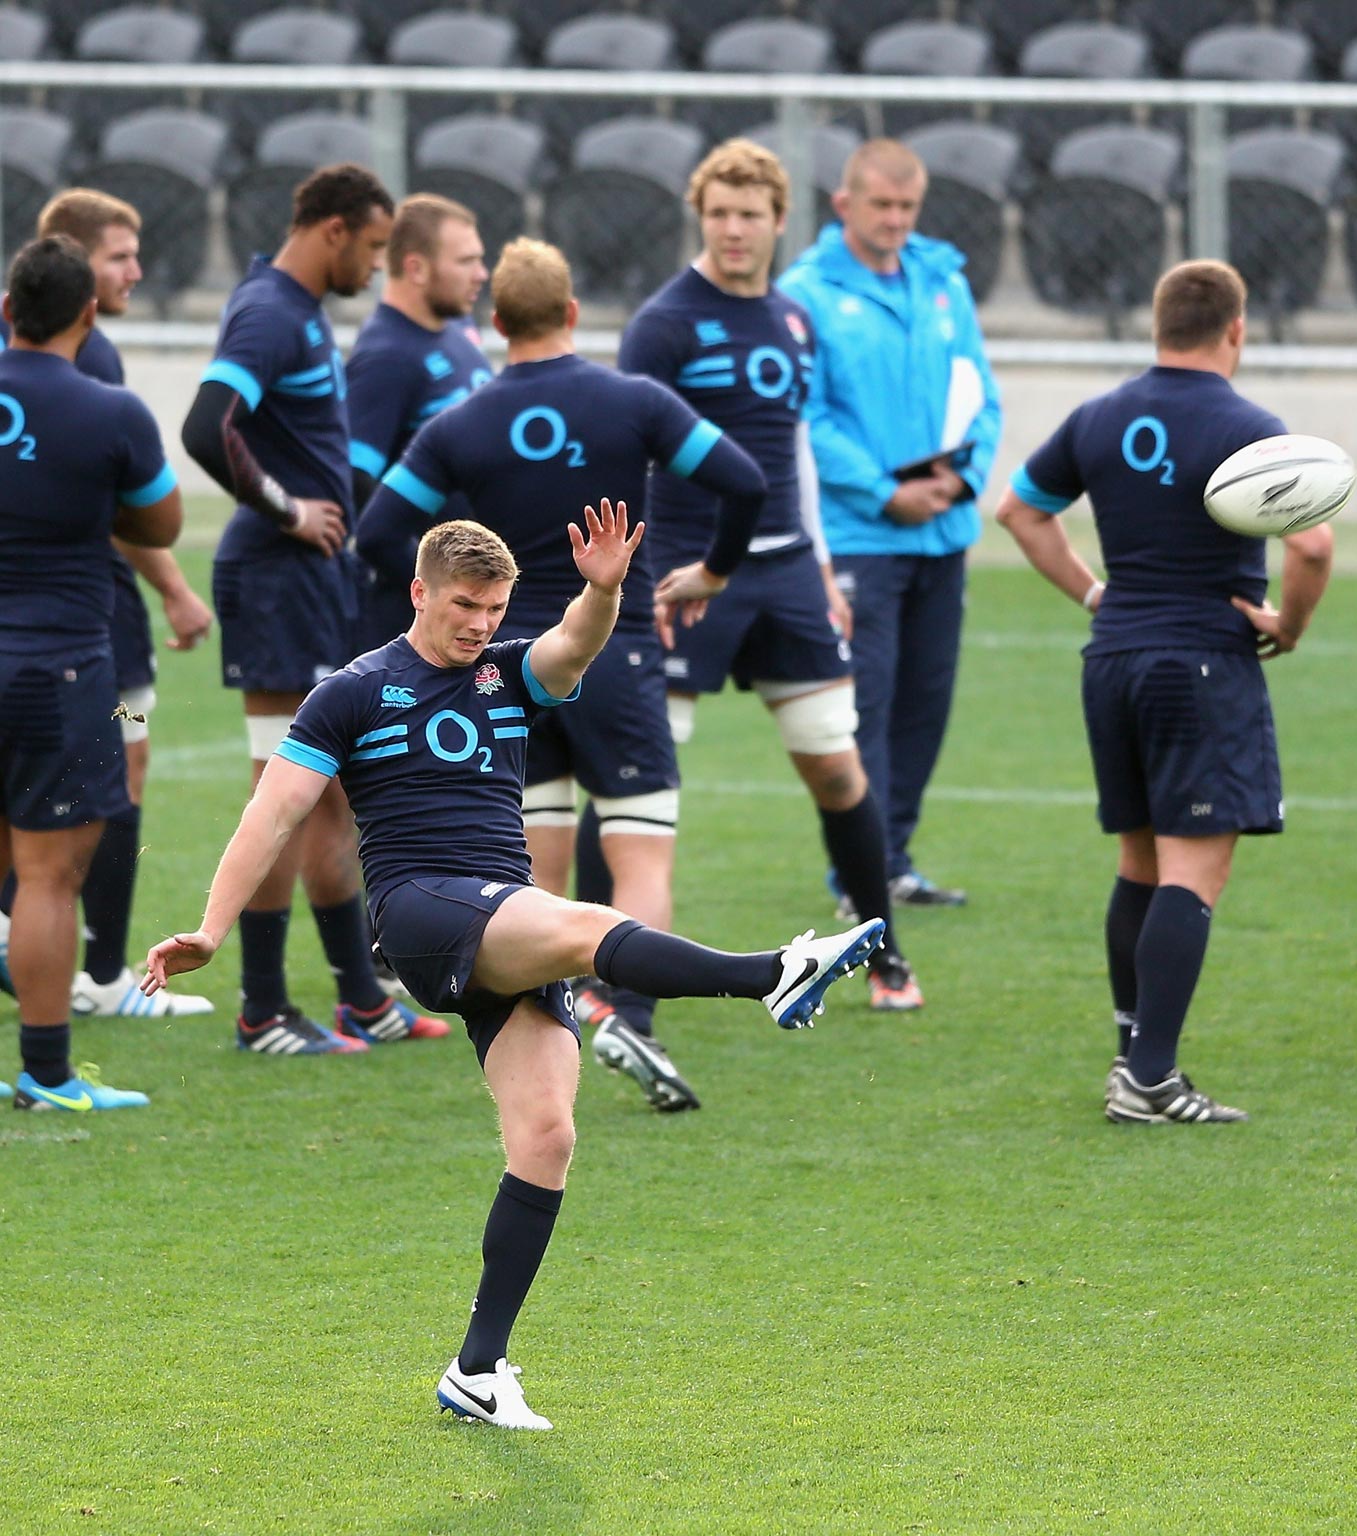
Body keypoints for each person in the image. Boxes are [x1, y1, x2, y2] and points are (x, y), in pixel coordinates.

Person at [142, 511, 883, 1428]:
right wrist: (212, 930)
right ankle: (773, 971)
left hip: (504, 916)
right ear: (419, 592)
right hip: (420, 912)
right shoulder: (353, 692)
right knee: (584, 922)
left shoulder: (509, 672)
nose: (480, 624)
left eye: (494, 607)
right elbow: (273, 817)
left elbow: (573, 646)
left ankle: (478, 1370)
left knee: (547, 1138)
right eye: (464, 605)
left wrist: (604, 587)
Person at [356, 237, 771, 1112]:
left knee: (530, 854)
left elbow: (376, 531)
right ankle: (636, 1017)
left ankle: (551, 1010)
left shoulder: (459, 423)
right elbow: (745, 482)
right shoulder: (633, 401)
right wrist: (716, 571)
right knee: (637, 838)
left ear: (494, 321)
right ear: (574, 313)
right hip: (607, 649)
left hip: (501, 668)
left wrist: (441, 615)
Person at [995, 260, 1333, 1123]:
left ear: (1157, 325)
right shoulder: (1250, 425)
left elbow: (1020, 511)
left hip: (1113, 659)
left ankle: (1131, 1052)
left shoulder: (1100, 417)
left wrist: (1093, 592)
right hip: (1202, 663)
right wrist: (1287, 626)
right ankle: (1149, 1080)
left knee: (1139, 861)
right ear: (1236, 330)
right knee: (1194, 870)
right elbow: (1316, 547)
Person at [616, 138, 922, 1011]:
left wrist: (823, 567)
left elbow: (794, 449)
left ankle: (884, 954)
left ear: (781, 222)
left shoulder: (794, 318)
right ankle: (609, 975)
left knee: (836, 767)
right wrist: (631, 576)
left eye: (750, 215)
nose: (734, 230)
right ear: (700, 217)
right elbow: (629, 450)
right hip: (682, 577)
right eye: (719, 214)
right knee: (639, 778)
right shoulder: (663, 322)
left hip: (787, 574)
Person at [181, 163, 447, 1056]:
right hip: (274, 580)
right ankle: (260, 1008)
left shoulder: (295, 310)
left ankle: (361, 999)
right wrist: (287, 510)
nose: (378, 266)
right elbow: (206, 420)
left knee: (330, 795)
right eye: (374, 247)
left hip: (308, 584)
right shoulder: (268, 311)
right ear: (334, 230)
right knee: (284, 794)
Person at [0, 190, 214, 1018]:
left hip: (72, 619)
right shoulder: (99, 378)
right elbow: (139, 514)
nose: (138, 271)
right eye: (121, 257)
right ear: (83, 290)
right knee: (114, 776)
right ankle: (102, 979)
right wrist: (174, 585)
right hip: (80, 634)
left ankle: (94, 971)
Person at [778, 138, 1001, 912]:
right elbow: (806, 417)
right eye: (882, 205)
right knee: (864, 708)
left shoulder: (943, 280)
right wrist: (880, 491)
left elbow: (980, 389)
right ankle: (858, 878)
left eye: (908, 207)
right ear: (845, 205)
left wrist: (965, 476)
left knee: (925, 705)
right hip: (861, 537)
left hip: (942, 532)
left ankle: (895, 860)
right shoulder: (804, 292)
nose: (897, 220)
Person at [345, 193, 492, 655]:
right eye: (466, 261)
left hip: (477, 598)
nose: (482, 274)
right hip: (421, 614)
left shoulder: (458, 332)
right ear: (416, 268)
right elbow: (356, 481)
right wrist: (432, 583)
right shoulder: (386, 356)